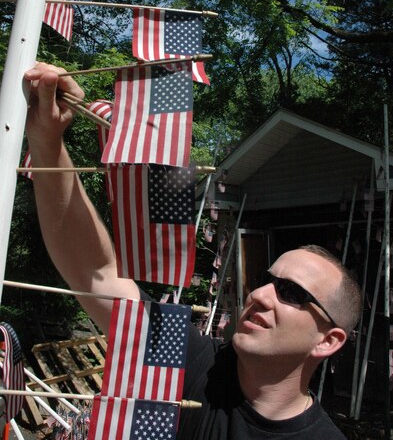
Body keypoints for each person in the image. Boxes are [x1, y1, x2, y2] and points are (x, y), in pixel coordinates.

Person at [24, 62, 362, 439]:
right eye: (267, 281)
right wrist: (46, 141)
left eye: (292, 293)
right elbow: (96, 272)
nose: (260, 294)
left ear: (328, 340)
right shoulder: (192, 362)